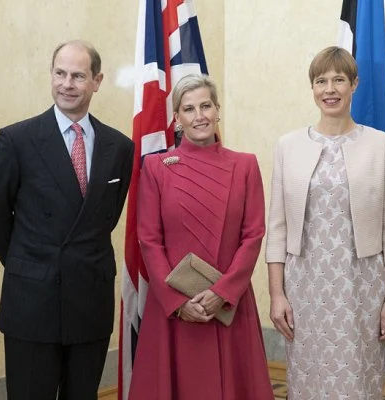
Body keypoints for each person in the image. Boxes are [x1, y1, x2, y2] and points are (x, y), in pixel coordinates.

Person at [0, 40, 134, 400]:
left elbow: (105, 218)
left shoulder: (119, 147)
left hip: (90, 299)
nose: (67, 83)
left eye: (78, 76)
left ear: (97, 81)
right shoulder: (17, 139)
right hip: (32, 299)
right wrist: (27, 261)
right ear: (51, 75)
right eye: (60, 73)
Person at [266, 46, 385, 399]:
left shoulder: (381, 146)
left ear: (354, 84)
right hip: (304, 290)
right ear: (312, 88)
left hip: (362, 289)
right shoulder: (288, 146)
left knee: (359, 382)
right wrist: (276, 293)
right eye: (321, 81)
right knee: (307, 381)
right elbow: (277, 226)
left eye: (339, 80)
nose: (330, 89)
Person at [128, 74, 274, 399]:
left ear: (217, 110)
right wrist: (178, 303)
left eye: (206, 105)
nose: (200, 116)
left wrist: (222, 292)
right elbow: (149, 239)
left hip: (228, 307)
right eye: (189, 108)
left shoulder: (245, 165)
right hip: (174, 308)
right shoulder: (156, 167)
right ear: (177, 119)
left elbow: (253, 235)